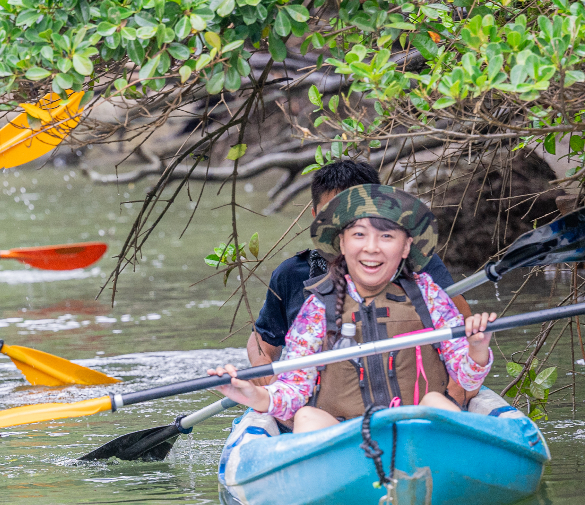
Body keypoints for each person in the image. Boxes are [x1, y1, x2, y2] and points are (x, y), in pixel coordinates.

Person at [209, 185, 497, 433]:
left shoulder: (429, 297)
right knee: (308, 416)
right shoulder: (317, 308)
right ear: (342, 244)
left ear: (407, 246)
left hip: (418, 431)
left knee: (436, 402)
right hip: (345, 439)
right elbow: (293, 393)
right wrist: (253, 395)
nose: (372, 248)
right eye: (359, 235)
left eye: (386, 237)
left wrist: (478, 349)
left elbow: (467, 378)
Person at [248, 160, 458, 369]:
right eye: (333, 217)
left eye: (355, 218)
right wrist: (262, 368)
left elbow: (461, 331)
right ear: (316, 218)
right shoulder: (293, 276)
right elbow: (264, 339)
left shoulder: (416, 266)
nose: (344, 228)